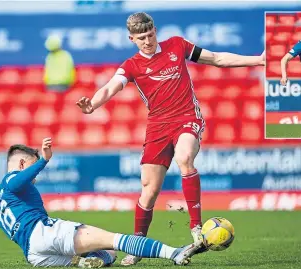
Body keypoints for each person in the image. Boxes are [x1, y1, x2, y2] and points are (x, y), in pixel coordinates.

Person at [76, 12, 265, 266]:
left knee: (184, 157)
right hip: (157, 127)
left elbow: (217, 58)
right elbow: (111, 87)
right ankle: (138, 245)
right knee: (149, 190)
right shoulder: (131, 65)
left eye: (150, 35)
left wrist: (259, 60)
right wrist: (93, 105)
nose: (147, 41)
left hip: (187, 116)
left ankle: (196, 228)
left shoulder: (177, 45)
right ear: (131, 38)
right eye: (141, 38)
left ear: (156, 31)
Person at [0, 137, 201, 267]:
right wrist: (42, 160)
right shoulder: (14, 179)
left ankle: (85, 261)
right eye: (31, 167)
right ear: (23, 164)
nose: (35, 175)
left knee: (108, 254)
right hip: (44, 232)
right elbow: (15, 182)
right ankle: (174, 253)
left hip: (34, 255)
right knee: (116, 240)